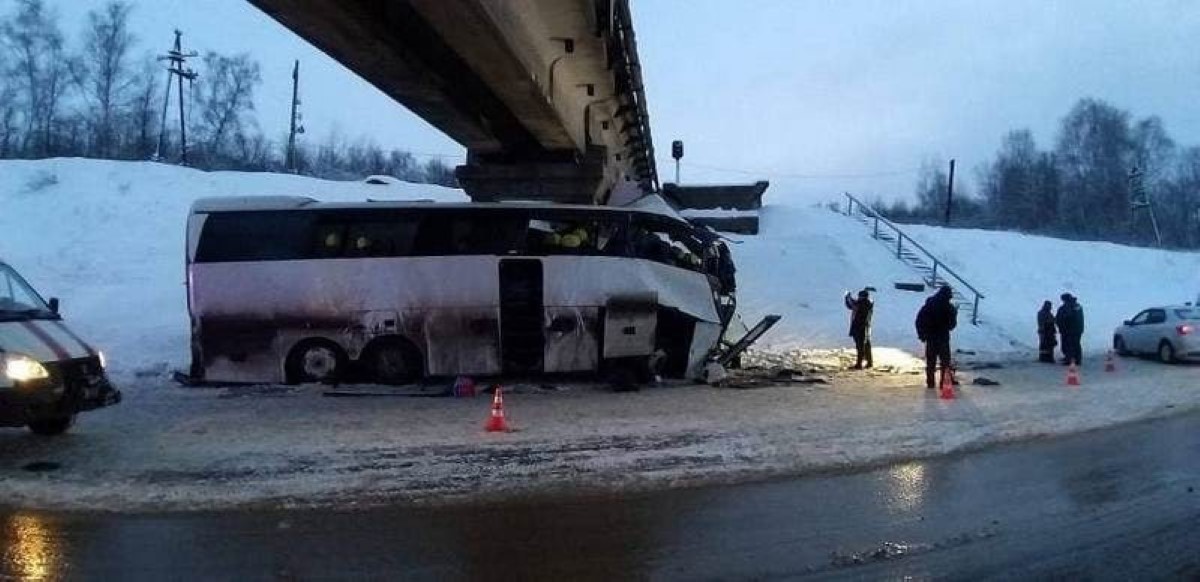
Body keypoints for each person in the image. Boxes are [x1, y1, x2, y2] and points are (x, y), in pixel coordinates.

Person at [916, 285, 958, 389]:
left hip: (930, 338)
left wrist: (922, 335)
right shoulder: (949, 308)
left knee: (930, 362)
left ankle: (930, 382)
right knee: (945, 362)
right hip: (943, 338)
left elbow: (919, 321)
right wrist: (954, 314)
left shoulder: (928, 305)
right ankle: (943, 382)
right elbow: (951, 326)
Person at [844, 289, 874, 369]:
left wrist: (848, 297)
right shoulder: (867, 302)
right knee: (866, 345)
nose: (859, 298)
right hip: (864, 327)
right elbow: (851, 305)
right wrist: (847, 298)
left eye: (860, 296)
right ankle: (869, 362)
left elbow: (853, 304)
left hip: (860, 327)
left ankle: (859, 364)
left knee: (860, 346)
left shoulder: (865, 303)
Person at [1056, 293, 1085, 366]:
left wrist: (1060, 321)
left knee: (1068, 345)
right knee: (1075, 344)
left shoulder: (1070, 306)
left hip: (1069, 330)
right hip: (1076, 329)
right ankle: (1076, 359)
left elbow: (1068, 317)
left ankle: (1070, 359)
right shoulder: (1077, 306)